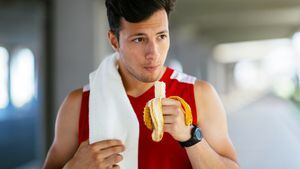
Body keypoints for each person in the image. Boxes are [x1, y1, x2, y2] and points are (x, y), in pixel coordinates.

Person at [43, 0, 240, 168]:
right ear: (114, 41)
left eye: (161, 36)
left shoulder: (199, 95)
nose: (153, 53)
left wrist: (190, 137)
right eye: (139, 39)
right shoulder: (78, 105)